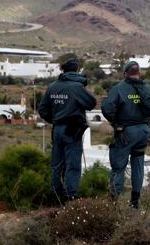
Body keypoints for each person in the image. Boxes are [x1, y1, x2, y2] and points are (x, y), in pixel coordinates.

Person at [101, 60, 150, 209]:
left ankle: (113, 202)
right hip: (144, 131)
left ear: (125, 73)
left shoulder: (119, 89)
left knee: (119, 167)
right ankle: (134, 203)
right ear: (139, 73)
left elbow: (106, 108)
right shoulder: (149, 89)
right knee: (138, 164)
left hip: (126, 132)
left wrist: (115, 124)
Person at [38, 57, 97, 203]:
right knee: (73, 165)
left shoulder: (52, 87)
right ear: (77, 70)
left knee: (56, 164)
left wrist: (55, 120)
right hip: (72, 131)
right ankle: (71, 197)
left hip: (57, 129)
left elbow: (42, 109)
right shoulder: (77, 88)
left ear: (64, 70)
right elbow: (91, 103)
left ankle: (57, 195)